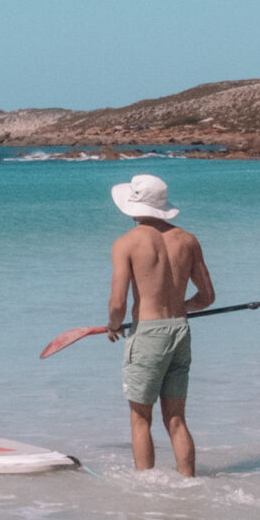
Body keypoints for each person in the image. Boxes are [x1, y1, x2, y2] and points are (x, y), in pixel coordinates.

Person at [105, 174, 215, 476]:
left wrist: (113, 326)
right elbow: (207, 297)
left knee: (141, 417)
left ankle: (146, 490)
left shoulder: (125, 243)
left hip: (149, 335)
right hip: (180, 331)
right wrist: (179, 307)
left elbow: (118, 304)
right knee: (176, 418)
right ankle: (189, 483)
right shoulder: (188, 240)